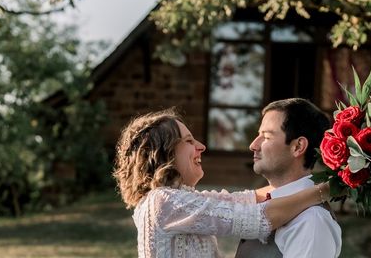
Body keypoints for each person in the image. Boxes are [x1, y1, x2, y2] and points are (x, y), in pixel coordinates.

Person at [113, 108, 330, 258]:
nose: (201, 146)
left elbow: (247, 200)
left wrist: (333, 176)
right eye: (189, 141)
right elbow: (258, 218)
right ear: (163, 154)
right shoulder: (161, 203)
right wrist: (326, 190)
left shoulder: (180, 200)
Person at [234, 98, 342, 258]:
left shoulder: (312, 222)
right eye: (258, 135)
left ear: (298, 147)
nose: (253, 145)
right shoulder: (264, 200)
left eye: (266, 137)